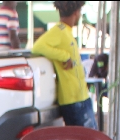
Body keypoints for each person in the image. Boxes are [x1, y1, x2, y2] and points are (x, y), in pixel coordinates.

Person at [31, 1, 95, 130]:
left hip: (80, 97)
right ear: (76, 13)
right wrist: (64, 56)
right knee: (86, 139)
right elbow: (37, 47)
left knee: (88, 138)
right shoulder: (59, 31)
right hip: (73, 99)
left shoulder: (65, 31)